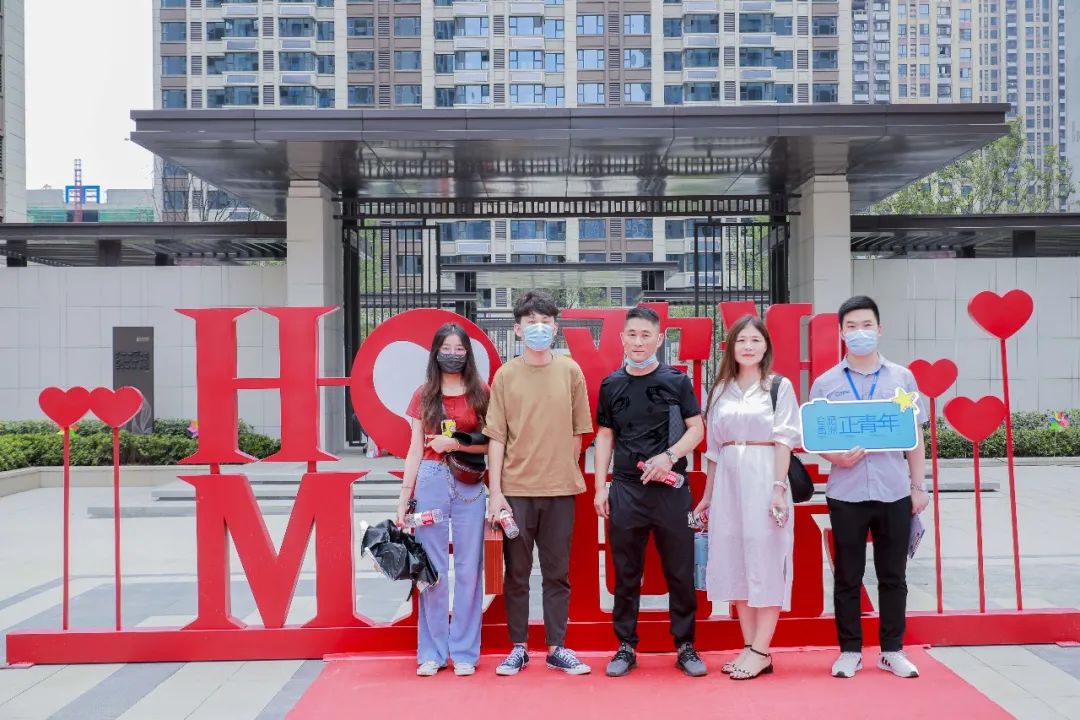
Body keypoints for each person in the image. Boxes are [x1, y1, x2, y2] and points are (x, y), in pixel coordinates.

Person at [809, 295, 929, 679]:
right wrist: (836, 458)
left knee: (893, 575)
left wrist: (919, 486)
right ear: (841, 333)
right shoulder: (826, 383)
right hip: (846, 493)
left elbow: (915, 437)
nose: (859, 332)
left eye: (866, 325)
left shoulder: (902, 379)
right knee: (847, 576)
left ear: (879, 329)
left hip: (894, 491)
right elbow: (817, 437)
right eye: (851, 327)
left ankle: (892, 650)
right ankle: (850, 651)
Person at [484, 290, 594, 676]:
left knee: (557, 573)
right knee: (517, 573)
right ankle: (518, 647)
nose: (539, 328)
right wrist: (496, 492)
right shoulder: (505, 376)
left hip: (561, 491)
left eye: (546, 322)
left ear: (556, 327)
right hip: (516, 491)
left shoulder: (570, 371)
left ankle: (556, 646)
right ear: (517, 329)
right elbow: (496, 437)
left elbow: (580, 431)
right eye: (531, 322)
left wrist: (560, 468)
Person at [593, 306, 707, 677]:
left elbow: (697, 429)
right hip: (626, 489)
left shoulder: (676, 381)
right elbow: (605, 435)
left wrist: (670, 456)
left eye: (646, 335)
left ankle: (685, 645)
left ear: (659, 339)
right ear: (622, 339)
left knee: (679, 570)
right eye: (632, 334)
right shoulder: (611, 384)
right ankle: (625, 646)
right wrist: (600, 487)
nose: (639, 342)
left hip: (671, 489)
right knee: (626, 573)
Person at [693, 314, 801, 681]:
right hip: (728, 483)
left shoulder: (779, 387)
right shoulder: (720, 389)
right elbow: (713, 449)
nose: (748, 346)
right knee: (734, 558)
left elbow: (784, 440)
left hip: (764, 477)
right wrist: (708, 497)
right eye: (741, 340)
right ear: (731, 347)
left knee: (766, 557)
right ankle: (750, 646)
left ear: (766, 345)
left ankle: (760, 649)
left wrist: (778, 489)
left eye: (755, 340)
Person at [396, 323, 491, 677]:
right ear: (435, 353)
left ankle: (464, 651)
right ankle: (432, 652)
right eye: (446, 349)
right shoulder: (424, 394)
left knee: (469, 568)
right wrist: (405, 496)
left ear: (468, 353)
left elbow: (493, 442)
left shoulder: (482, 391)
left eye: (459, 349)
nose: (453, 355)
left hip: (470, 482)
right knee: (431, 568)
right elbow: (414, 449)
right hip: (431, 479)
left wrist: (454, 443)